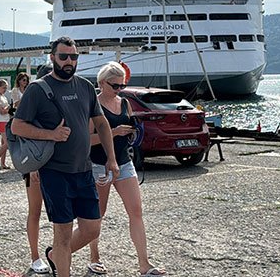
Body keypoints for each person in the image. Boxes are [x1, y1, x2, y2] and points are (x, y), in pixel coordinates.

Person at [12, 37, 119, 277]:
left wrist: (111, 158)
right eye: (64, 56)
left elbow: (101, 123)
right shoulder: (37, 89)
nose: (69, 61)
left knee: (92, 228)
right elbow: (17, 127)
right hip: (55, 172)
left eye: (74, 57)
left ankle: (55, 256)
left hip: (83, 169)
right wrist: (50, 134)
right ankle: (61, 264)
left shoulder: (85, 87)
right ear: (52, 58)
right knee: (62, 232)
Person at [87, 62, 165, 276]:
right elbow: (87, 139)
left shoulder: (125, 103)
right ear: (102, 83)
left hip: (123, 162)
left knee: (136, 211)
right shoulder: (94, 105)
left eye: (122, 85)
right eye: (115, 86)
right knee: (97, 214)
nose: (119, 89)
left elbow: (129, 130)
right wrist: (113, 132)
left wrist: (131, 133)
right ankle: (94, 257)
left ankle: (144, 263)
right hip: (99, 165)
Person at [25, 64, 52, 275]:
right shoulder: (32, 100)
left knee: (61, 212)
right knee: (35, 210)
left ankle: (59, 251)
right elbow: (24, 134)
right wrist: (34, 167)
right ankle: (35, 256)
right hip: (37, 164)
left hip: (59, 162)